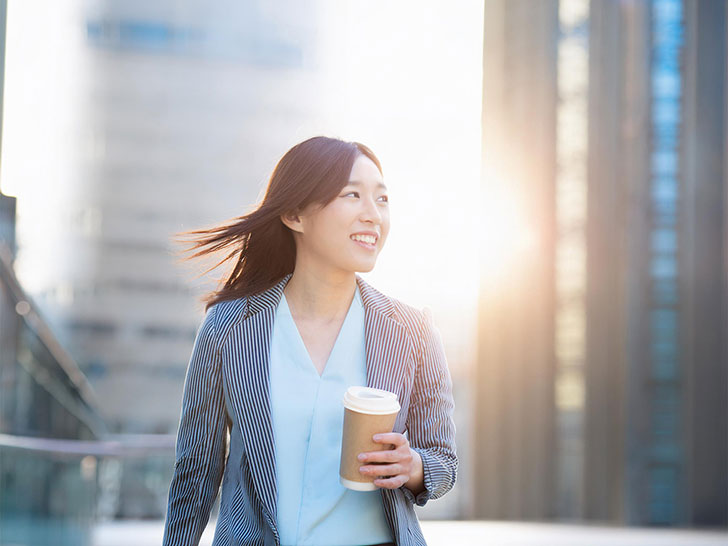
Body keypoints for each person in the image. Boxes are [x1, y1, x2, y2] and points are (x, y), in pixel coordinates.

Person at [162, 136, 457, 546]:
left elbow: (443, 460)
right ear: (295, 214)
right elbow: (196, 468)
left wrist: (414, 467)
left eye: (383, 199)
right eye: (352, 195)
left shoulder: (412, 331)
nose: (373, 215)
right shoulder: (230, 327)